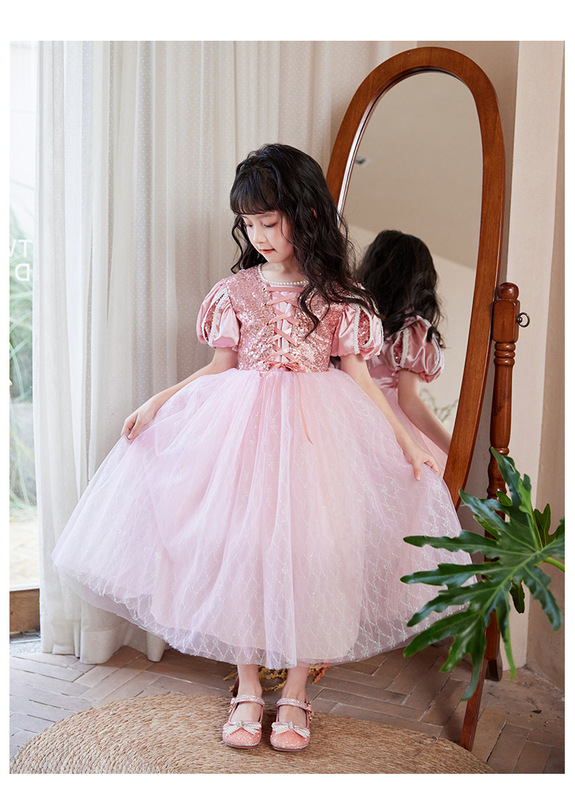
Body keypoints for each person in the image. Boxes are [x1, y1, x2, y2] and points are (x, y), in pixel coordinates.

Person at [52, 144, 467, 754]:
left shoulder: (341, 295)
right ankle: (247, 687)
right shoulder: (236, 291)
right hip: (242, 433)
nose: (260, 236)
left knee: (313, 553)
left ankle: (296, 692)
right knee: (242, 550)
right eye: (249, 224)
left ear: (307, 215)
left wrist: (408, 444)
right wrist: (160, 401)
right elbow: (219, 366)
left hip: (317, 437)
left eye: (271, 222)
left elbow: (358, 375)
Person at [357, 230, 452, 474]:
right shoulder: (410, 330)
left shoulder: (357, 318)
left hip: (346, 411)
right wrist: (455, 449)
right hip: (387, 422)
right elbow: (408, 400)